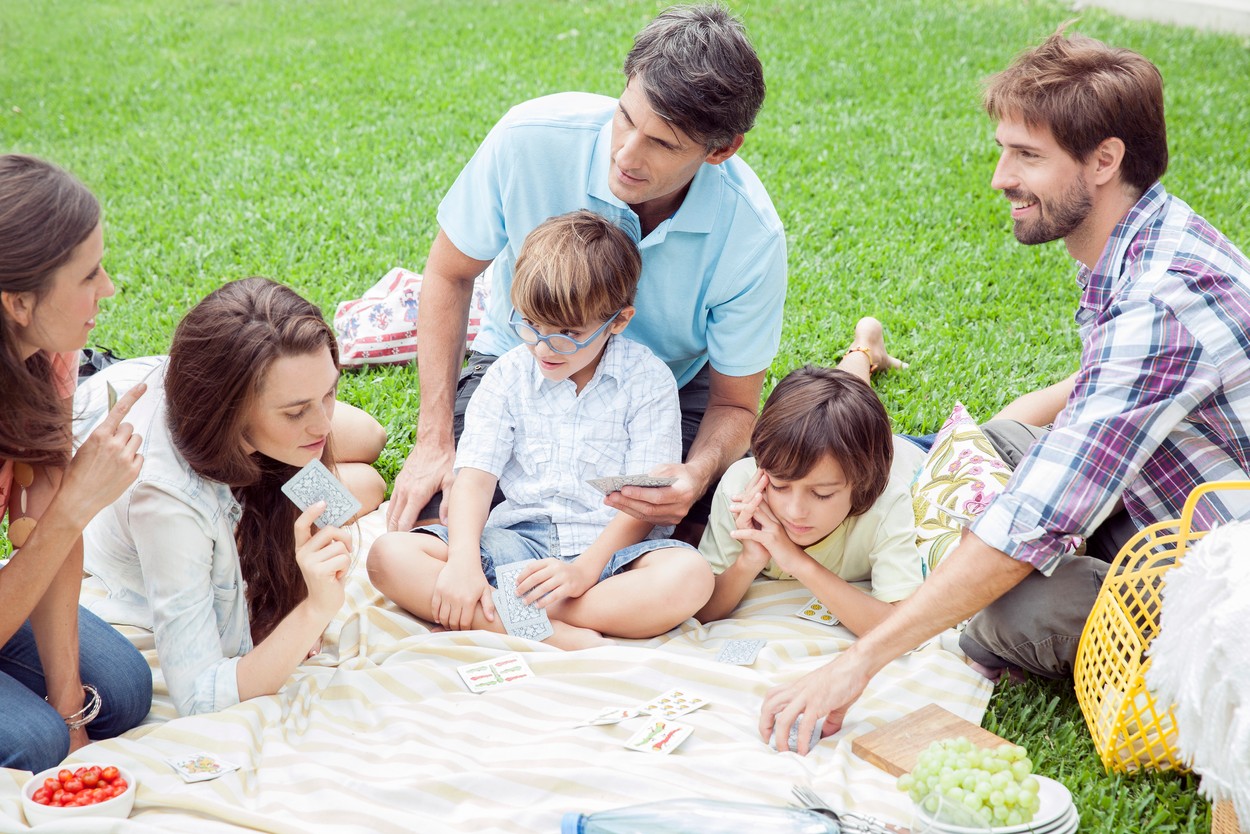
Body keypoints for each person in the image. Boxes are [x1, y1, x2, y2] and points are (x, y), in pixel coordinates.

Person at [759, 30, 1250, 754]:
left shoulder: (1163, 302)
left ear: (1105, 160)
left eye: (1026, 156)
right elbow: (1094, 398)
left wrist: (858, 661)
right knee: (991, 452)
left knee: (1007, 612)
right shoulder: (1138, 240)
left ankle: (1034, 618)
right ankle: (976, 570)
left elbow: (1034, 518)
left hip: (1217, 578)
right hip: (1146, 502)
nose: (999, 178)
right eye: (1005, 150)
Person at [386, 4, 786, 539]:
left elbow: (735, 402)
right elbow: (449, 274)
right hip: (520, 363)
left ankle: (555, 606)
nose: (625, 152)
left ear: (721, 150)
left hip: (662, 394)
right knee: (442, 522)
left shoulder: (751, 236)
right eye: (625, 116)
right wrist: (434, 439)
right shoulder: (528, 138)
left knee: (705, 533)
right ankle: (556, 611)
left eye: (663, 143)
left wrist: (695, 475)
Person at [368, 211, 714, 647]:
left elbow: (640, 504)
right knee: (389, 556)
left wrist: (581, 572)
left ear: (619, 321)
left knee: (690, 577)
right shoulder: (508, 375)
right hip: (516, 545)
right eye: (531, 325)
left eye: (568, 334)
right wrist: (462, 564)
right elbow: (474, 478)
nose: (544, 347)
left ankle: (503, 616)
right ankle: (557, 632)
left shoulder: (647, 380)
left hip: (608, 558)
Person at [77, 278, 388, 717]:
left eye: (330, 392)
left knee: (371, 449)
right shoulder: (166, 503)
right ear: (230, 411)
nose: (322, 425)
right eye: (297, 410)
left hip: (150, 378)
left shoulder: (273, 424)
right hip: (96, 400)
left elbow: (328, 499)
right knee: (362, 487)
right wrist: (313, 610)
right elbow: (201, 695)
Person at [0, 154, 152, 772]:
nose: (109, 288)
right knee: (33, 744)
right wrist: (76, 507)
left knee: (119, 693)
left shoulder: (50, 356)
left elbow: (42, 526)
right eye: (88, 275)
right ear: (18, 302)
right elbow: (58, 523)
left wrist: (71, 717)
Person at [696, 361, 923, 635]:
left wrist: (796, 561)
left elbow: (903, 629)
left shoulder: (886, 503)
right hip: (828, 451)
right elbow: (704, 610)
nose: (795, 511)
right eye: (779, 486)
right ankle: (862, 347)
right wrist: (749, 560)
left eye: (822, 494)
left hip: (910, 450)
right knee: (839, 398)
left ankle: (864, 346)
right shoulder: (742, 489)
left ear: (862, 486)